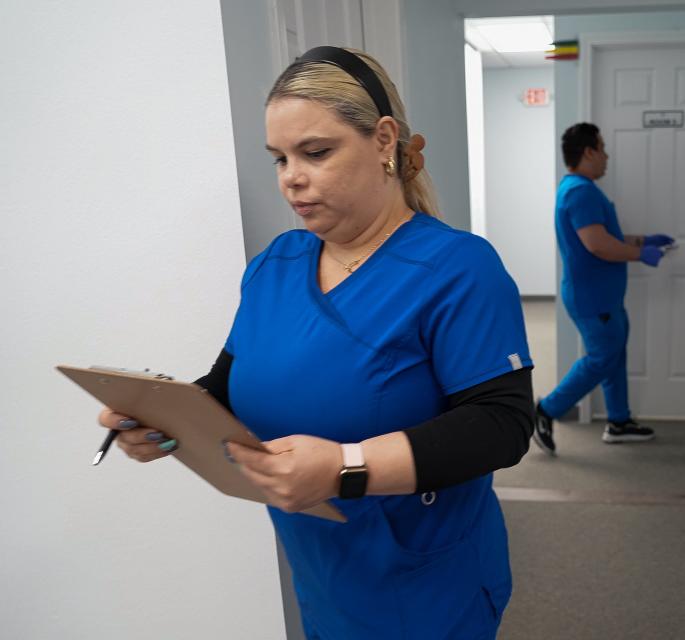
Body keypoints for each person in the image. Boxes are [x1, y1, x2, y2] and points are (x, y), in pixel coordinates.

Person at [96, 46, 534, 640]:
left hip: (424, 579)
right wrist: (157, 418)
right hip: (325, 569)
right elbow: (228, 388)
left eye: (315, 152)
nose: (291, 178)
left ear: (383, 141)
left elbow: (500, 425)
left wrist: (344, 469)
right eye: (279, 158)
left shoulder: (458, 268)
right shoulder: (275, 266)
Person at [532, 122, 673, 456]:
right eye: (603, 149)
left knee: (614, 354)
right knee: (601, 358)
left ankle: (619, 421)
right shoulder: (581, 192)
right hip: (593, 297)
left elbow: (605, 237)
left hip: (602, 295)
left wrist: (644, 240)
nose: (607, 157)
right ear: (589, 152)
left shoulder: (580, 189)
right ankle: (546, 409)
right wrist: (642, 254)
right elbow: (597, 245)